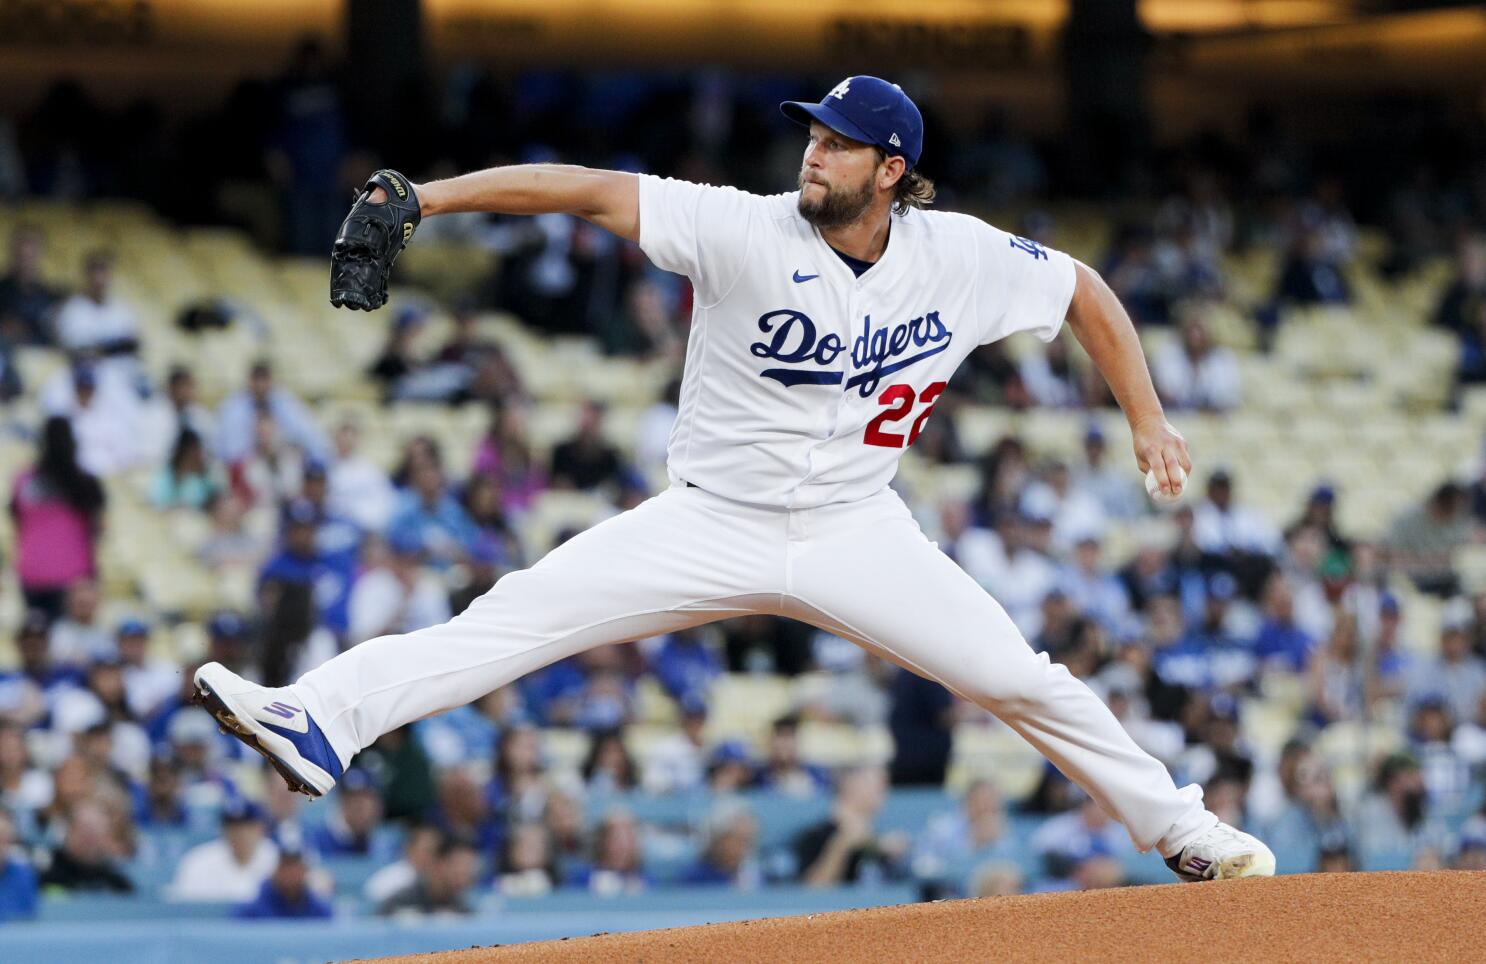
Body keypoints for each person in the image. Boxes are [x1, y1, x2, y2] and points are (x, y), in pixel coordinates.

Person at [194, 75, 1273, 883]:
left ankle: (1177, 824)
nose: (814, 153)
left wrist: (1148, 416)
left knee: (1016, 676)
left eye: (841, 144)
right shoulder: (739, 225)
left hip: (856, 528)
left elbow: (1082, 286)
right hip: (709, 519)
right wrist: (425, 197)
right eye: (813, 133)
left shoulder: (960, 255)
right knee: (507, 621)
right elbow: (583, 190)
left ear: (890, 170)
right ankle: (316, 720)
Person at [9, 416, 106, 618]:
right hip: (73, 578)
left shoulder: (24, 481)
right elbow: (98, 529)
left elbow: (16, 521)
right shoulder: (85, 483)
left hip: (32, 573)